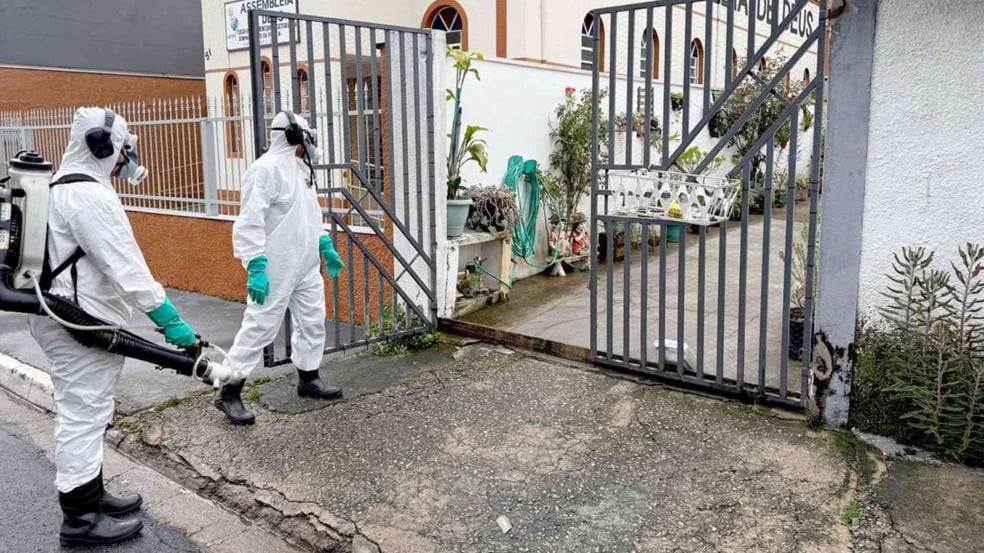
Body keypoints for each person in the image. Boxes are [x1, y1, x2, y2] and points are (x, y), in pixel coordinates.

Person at [28, 107, 200, 547]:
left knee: (89, 410)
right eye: (123, 149)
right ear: (103, 148)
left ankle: (93, 493)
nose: (127, 158)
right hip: (77, 322)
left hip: (67, 317)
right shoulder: (89, 196)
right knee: (83, 415)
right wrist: (171, 322)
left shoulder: (65, 185)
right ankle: (81, 519)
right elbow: (129, 271)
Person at [215, 111, 345, 426]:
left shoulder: (301, 170)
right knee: (260, 327)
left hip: (305, 263)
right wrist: (256, 265)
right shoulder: (265, 170)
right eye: (305, 137)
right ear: (292, 136)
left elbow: (310, 215)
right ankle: (228, 391)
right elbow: (250, 221)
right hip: (275, 265)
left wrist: (324, 245)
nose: (309, 144)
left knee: (313, 320)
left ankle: (308, 377)